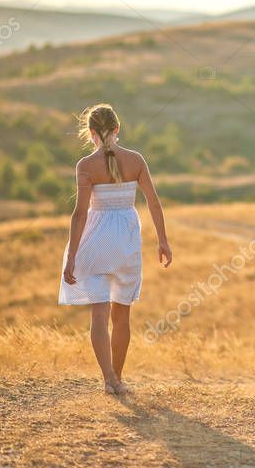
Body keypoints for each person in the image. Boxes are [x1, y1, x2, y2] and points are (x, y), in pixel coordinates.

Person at [59, 103, 172, 394]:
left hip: (96, 241)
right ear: (118, 129)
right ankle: (117, 379)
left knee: (99, 313)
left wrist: (71, 256)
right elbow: (154, 202)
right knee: (121, 315)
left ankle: (108, 378)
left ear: (92, 133)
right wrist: (163, 241)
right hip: (126, 241)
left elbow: (79, 215)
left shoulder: (85, 166)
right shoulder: (136, 160)